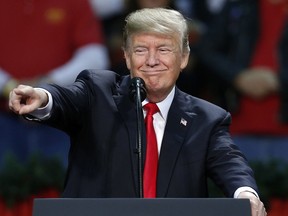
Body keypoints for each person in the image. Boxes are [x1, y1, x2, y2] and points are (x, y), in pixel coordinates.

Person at [9, 8, 266, 216]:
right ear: (127, 57)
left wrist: (245, 194)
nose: (152, 60)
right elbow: (67, 99)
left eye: (164, 49)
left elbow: (230, 163)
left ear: (184, 57)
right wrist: (43, 96)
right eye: (141, 50)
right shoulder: (98, 92)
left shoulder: (207, 119)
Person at [0, 0, 109, 168]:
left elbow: (95, 57)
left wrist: (46, 85)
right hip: (5, 119)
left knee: (63, 191)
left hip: (59, 120)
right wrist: (9, 87)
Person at [195, 0, 288, 163]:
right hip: (236, 127)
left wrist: (280, 80)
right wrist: (237, 76)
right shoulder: (239, 5)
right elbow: (205, 50)